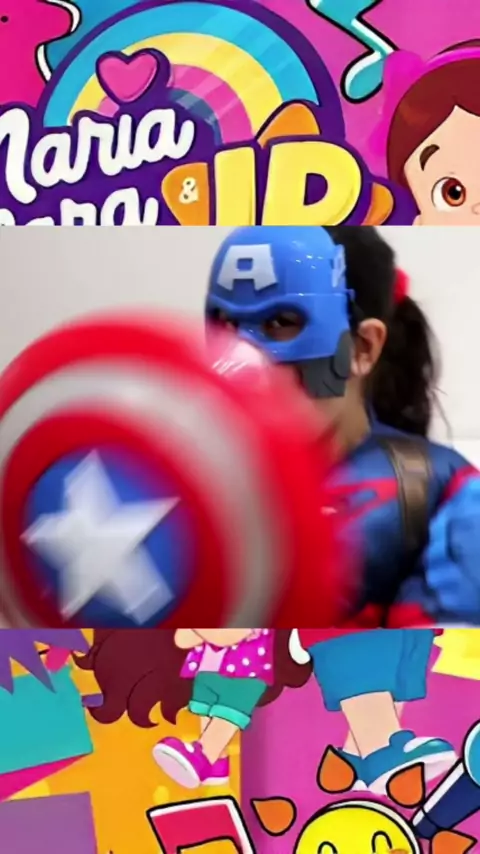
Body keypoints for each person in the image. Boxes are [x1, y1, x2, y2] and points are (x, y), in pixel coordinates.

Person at [205, 225, 480, 793]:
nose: (246, 361)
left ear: (363, 348)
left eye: (281, 322)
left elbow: (451, 678)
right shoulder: (191, 487)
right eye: (226, 325)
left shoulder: (439, 491)